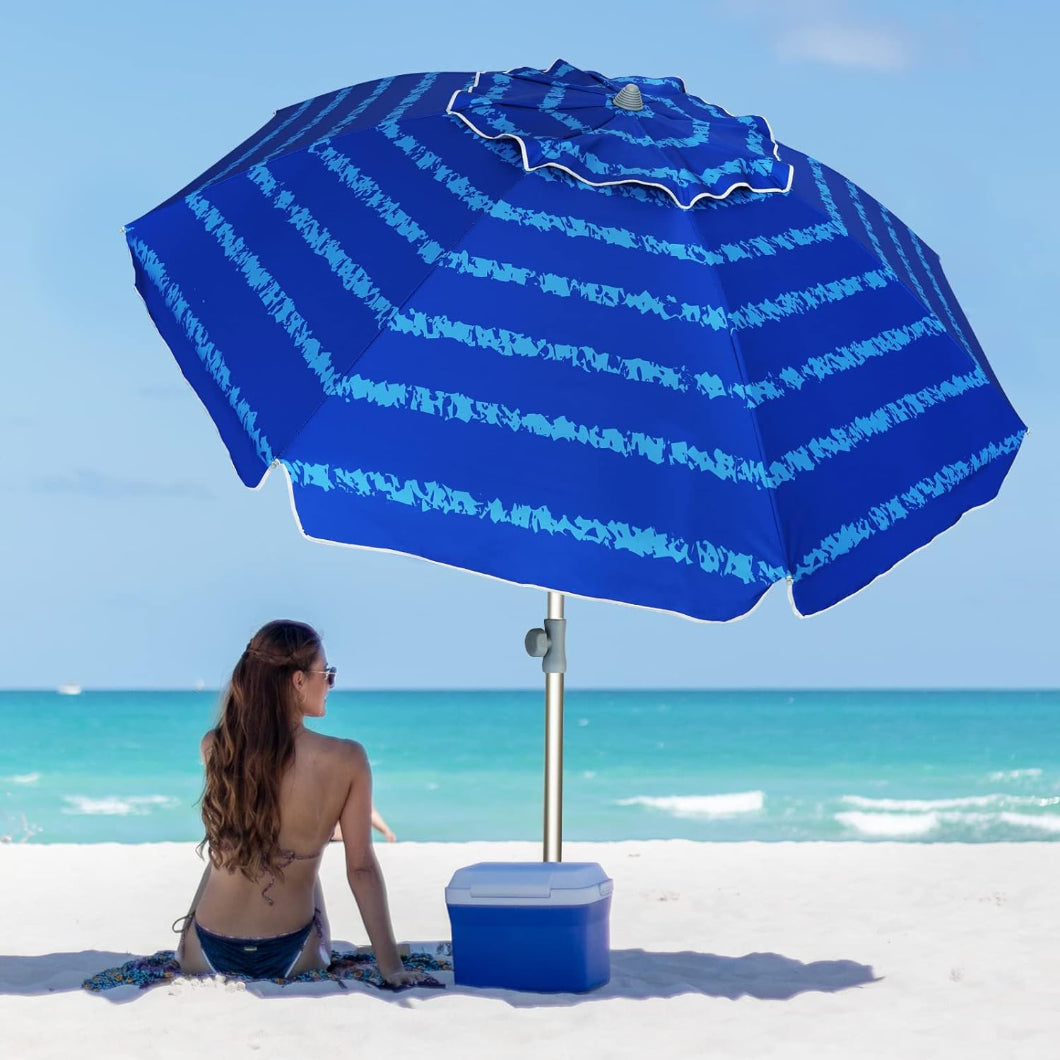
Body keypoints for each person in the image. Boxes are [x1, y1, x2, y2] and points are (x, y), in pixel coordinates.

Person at [174, 619, 418, 985]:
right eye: (327, 673)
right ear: (298, 680)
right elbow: (361, 868)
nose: (331, 683)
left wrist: (187, 933)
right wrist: (390, 967)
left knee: (236, 847)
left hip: (205, 952)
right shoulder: (346, 758)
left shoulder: (215, 746)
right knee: (303, 860)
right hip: (292, 955)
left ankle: (192, 932)